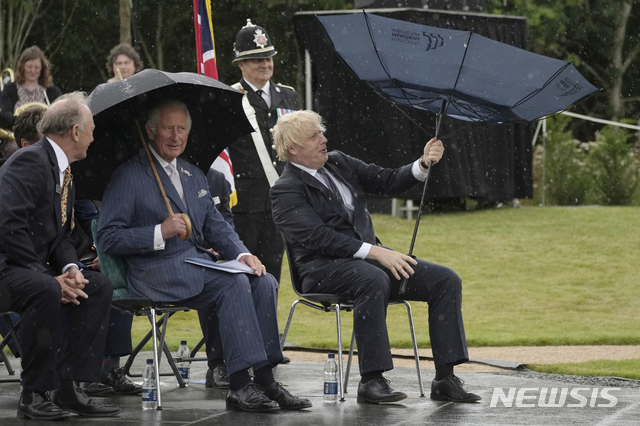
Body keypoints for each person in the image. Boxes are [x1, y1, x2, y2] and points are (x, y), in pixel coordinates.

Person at [97, 98, 311, 412]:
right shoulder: (128, 175)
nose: (175, 136)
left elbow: (216, 226)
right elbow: (107, 236)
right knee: (231, 284)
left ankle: (266, 380)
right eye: (168, 128)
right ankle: (240, 386)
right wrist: (159, 231)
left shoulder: (192, 172)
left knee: (260, 280)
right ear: (150, 130)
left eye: (181, 128)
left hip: (195, 264)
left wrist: (242, 256)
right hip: (153, 273)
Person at [270, 110, 482, 404]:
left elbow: (387, 180)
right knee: (372, 279)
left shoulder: (339, 161)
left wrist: (423, 163)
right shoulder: (285, 189)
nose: (324, 139)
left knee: (445, 280)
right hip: (321, 270)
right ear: (293, 148)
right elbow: (318, 237)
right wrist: (377, 252)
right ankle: (372, 381)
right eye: (315, 136)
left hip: (371, 264)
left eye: (322, 132)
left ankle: (445, 378)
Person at [0, 92, 119, 420]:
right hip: (9, 266)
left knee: (96, 287)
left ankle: (68, 387)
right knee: (46, 289)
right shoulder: (30, 161)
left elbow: (62, 235)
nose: (94, 137)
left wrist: (70, 267)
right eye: (91, 129)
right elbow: (9, 226)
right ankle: (34, 393)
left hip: (30, 268)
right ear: (75, 132)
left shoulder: (63, 170)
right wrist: (47, 276)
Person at [229, 19, 301, 284]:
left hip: (280, 200)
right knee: (243, 271)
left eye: (268, 57)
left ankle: (268, 325)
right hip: (245, 203)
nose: (265, 64)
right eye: (257, 59)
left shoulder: (289, 96)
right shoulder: (229, 98)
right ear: (241, 64)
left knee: (273, 270)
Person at [0, 46, 62, 129]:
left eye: (37, 67)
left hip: (45, 139)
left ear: (42, 69)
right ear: (22, 67)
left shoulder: (53, 91)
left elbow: (61, 117)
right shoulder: (10, 89)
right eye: (29, 67)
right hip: (15, 139)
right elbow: (4, 115)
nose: (33, 71)